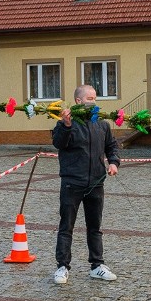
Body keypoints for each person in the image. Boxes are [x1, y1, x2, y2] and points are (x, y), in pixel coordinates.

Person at [52, 85, 120, 285]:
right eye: (90, 98)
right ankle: (62, 267)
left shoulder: (101, 123)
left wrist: (114, 162)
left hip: (96, 183)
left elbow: (111, 146)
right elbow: (59, 144)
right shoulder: (66, 122)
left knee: (95, 227)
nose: (94, 101)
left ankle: (97, 265)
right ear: (78, 101)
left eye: (95, 97)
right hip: (72, 183)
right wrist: (65, 125)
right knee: (66, 227)